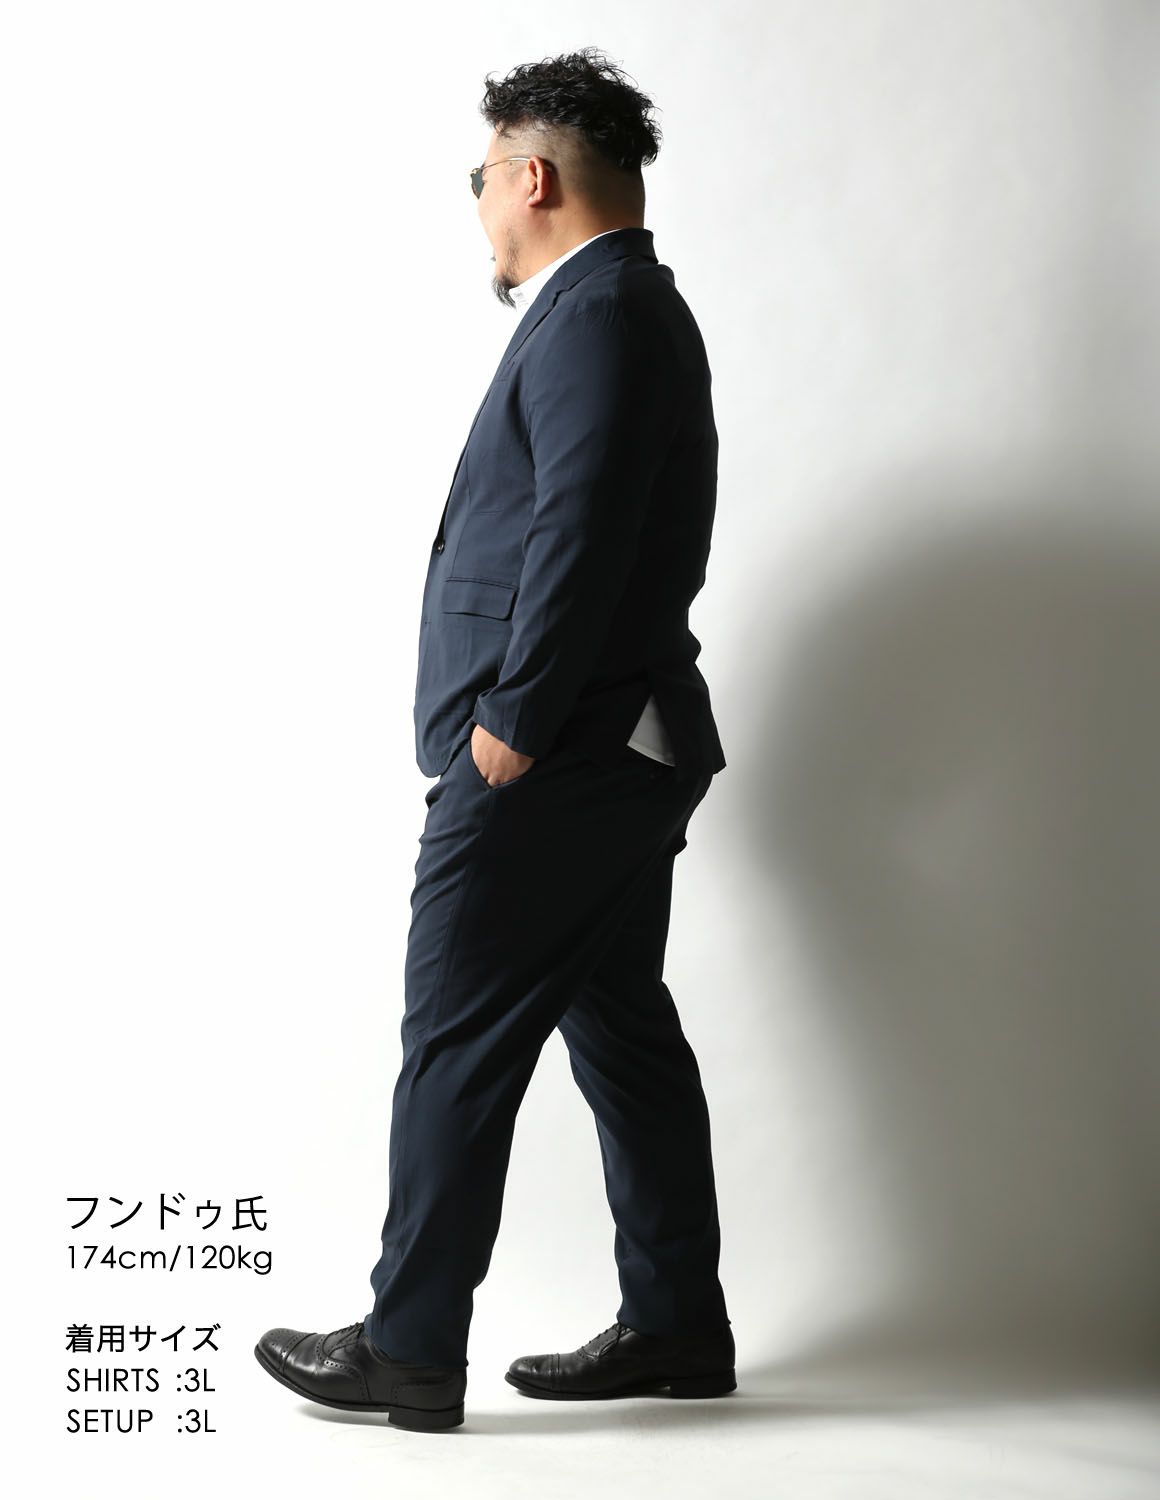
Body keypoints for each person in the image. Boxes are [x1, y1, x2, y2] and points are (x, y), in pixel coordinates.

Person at [255, 47, 734, 1432]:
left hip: (559, 753)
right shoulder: (624, 305)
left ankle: (409, 1348)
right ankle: (676, 1324)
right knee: (623, 1028)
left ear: (530, 176)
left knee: (455, 1036)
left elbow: (581, 532)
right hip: (624, 746)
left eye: (480, 177)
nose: (477, 206)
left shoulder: (601, 310)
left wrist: (510, 726)